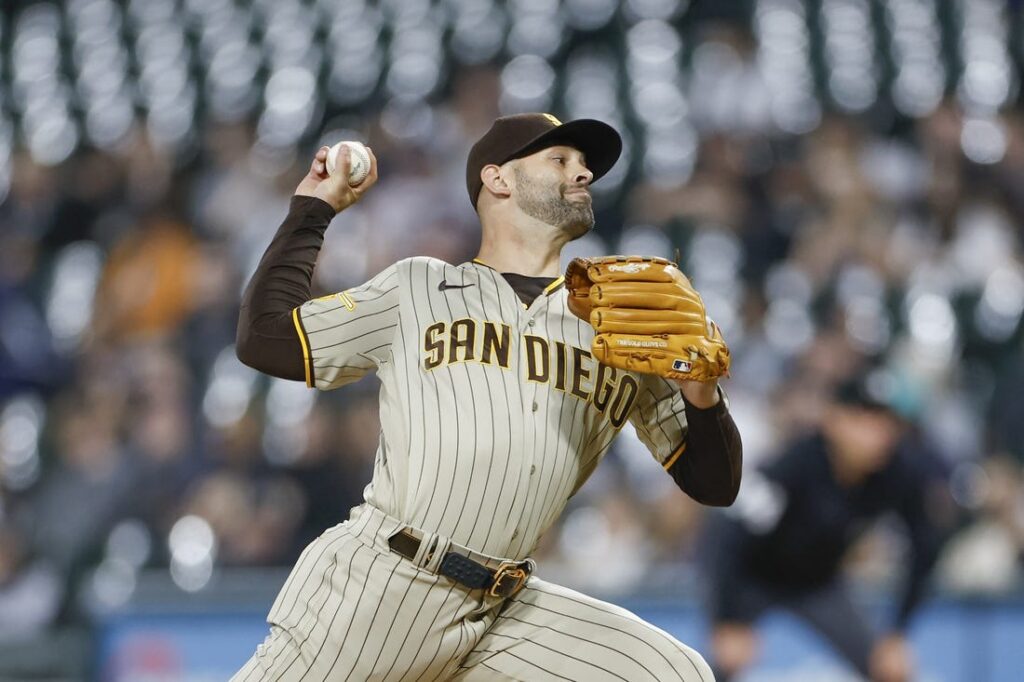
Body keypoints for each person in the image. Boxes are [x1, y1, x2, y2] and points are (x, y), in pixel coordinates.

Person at [232, 113, 742, 681]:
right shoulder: (417, 287)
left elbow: (714, 485)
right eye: (560, 160)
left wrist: (702, 396)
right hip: (386, 585)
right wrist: (313, 208)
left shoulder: (614, 325)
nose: (584, 172)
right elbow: (265, 338)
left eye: (584, 164)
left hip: (506, 609)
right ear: (498, 180)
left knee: (671, 674)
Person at [704, 374, 952, 682]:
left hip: (819, 583)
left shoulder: (898, 472)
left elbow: (925, 547)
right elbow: (729, 537)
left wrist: (898, 633)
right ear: (834, 420)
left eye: (884, 422)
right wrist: (725, 621)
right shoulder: (794, 466)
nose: (877, 434)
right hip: (754, 579)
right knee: (713, 669)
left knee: (888, 669)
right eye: (863, 419)